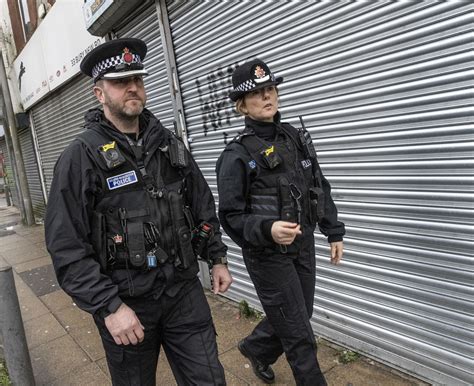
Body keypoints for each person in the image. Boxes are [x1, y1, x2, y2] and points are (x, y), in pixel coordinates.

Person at [45, 38, 232, 386]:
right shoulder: (80, 157)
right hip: (126, 304)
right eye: (119, 82)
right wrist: (109, 308)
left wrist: (217, 257)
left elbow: (202, 204)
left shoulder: (168, 143)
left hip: (183, 295)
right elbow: (66, 245)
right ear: (99, 94)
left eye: (137, 79)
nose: (132, 87)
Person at [216, 59, 345, 385]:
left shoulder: (295, 137)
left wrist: (333, 230)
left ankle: (256, 348)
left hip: (302, 245)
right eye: (257, 92)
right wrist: (267, 229)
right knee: (300, 336)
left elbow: (319, 184)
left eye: (270, 88)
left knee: (301, 314)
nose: (267, 96)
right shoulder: (236, 155)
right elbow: (230, 217)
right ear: (241, 105)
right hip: (267, 256)